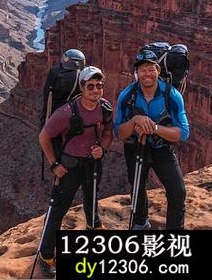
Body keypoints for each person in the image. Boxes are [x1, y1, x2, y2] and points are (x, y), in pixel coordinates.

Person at [38, 66, 113, 278]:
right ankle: (46, 255)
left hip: (92, 164)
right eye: (90, 86)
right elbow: (44, 137)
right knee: (58, 211)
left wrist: (103, 149)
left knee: (92, 199)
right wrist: (54, 165)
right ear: (82, 86)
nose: (95, 90)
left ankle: (94, 227)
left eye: (99, 86)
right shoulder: (66, 112)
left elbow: (108, 134)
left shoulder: (105, 108)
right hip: (69, 168)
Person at [114, 50, 189, 230]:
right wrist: (134, 121)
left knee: (178, 192)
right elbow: (119, 132)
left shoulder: (171, 95)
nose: (146, 74)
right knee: (137, 189)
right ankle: (141, 224)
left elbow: (184, 133)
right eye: (142, 70)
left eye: (150, 69)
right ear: (137, 73)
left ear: (158, 70)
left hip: (161, 148)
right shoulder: (127, 96)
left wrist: (154, 128)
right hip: (135, 148)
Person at [40, 49, 86, 171]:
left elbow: (47, 98)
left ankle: (57, 172)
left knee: (58, 153)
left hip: (55, 118)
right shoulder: (83, 77)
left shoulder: (55, 73)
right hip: (76, 120)